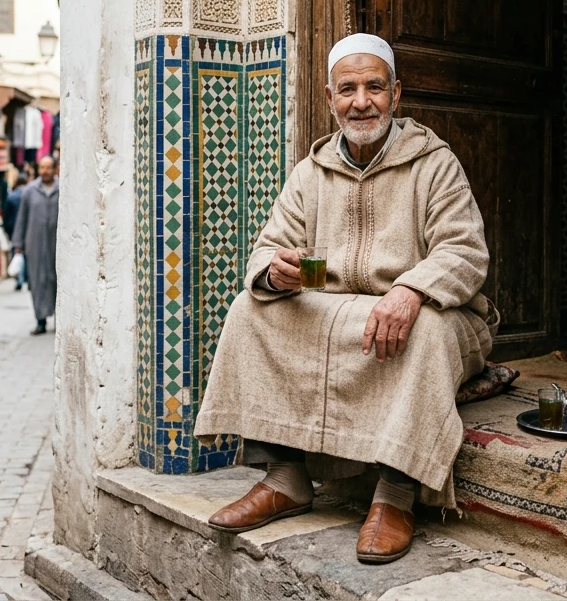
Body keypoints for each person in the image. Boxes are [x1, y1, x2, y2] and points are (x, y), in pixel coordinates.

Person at [195, 34, 492, 564]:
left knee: (422, 329)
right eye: (348, 89)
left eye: (374, 87)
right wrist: (276, 272)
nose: (362, 101)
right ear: (330, 98)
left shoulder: (433, 163)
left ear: (396, 95)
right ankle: (285, 478)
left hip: (425, 314)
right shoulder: (311, 173)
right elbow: (269, 250)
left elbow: (465, 252)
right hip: (338, 312)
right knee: (251, 310)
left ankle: (397, 495)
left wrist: (412, 288)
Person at [12, 155, 59, 335]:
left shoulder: (62, 188)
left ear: (55, 169)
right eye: (42, 168)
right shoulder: (30, 191)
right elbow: (22, 218)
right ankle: (40, 320)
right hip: (35, 244)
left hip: (56, 244)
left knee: (57, 281)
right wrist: (18, 243)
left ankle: (59, 320)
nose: (45, 171)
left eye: (48, 167)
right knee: (38, 282)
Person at [4, 171, 30, 290]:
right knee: (28, 254)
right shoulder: (29, 194)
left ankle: (19, 279)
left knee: (17, 252)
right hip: (29, 228)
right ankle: (28, 279)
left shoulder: (11, 196)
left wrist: (8, 229)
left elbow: (6, 215)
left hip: (14, 228)